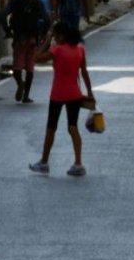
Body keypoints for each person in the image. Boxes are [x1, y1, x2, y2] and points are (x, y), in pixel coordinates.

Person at [29, 21, 95, 177]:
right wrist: (90, 92)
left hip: (58, 95)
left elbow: (36, 58)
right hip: (74, 94)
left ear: (61, 35)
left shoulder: (57, 50)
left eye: (56, 35)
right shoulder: (80, 50)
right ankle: (78, 163)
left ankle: (44, 162)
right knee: (73, 128)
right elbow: (84, 72)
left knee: (51, 128)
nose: (55, 39)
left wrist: (47, 39)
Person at [3, 0, 50, 102]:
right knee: (30, 67)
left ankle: (20, 84)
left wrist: (7, 30)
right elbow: (46, 19)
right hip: (33, 39)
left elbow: (3, 15)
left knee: (17, 67)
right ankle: (26, 96)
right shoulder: (36, 2)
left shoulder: (14, 2)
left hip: (19, 38)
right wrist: (44, 33)